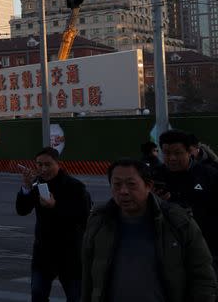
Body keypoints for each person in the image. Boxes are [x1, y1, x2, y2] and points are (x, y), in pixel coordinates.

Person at [82, 158, 217, 302]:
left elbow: (203, 276)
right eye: (117, 185)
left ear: (148, 186)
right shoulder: (99, 221)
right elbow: (88, 277)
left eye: (131, 184)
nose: (123, 191)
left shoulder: (178, 222)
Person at [16, 147, 91, 302]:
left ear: (58, 164)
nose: (43, 169)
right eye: (39, 164)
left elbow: (83, 217)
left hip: (70, 253)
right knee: (38, 293)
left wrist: (55, 206)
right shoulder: (37, 185)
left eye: (47, 165)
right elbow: (22, 210)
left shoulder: (75, 186)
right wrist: (26, 188)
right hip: (43, 252)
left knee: (76, 296)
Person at [154, 129, 218, 268]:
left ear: (190, 152)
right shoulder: (155, 176)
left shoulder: (209, 175)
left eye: (178, 153)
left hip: (206, 248)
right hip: (168, 250)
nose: (172, 158)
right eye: (167, 153)